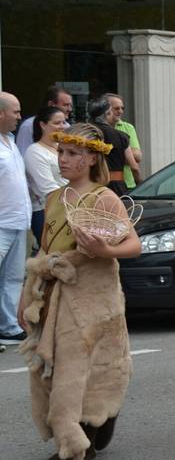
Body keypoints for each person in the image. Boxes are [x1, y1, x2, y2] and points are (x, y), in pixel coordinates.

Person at [18, 124, 140, 460]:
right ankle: (82, 428)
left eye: (71, 153)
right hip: (56, 293)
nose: (63, 159)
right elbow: (43, 252)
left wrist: (104, 249)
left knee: (92, 366)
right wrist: (26, 300)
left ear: (89, 159)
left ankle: (82, 433)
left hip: (95, 296)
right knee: (59, 366)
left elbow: (133, 245)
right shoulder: (55, 199)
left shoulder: (104, 197)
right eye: (60, 152)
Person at [0, 91, 29, 346]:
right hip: (1, 222)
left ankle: (8, 326)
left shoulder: (10, 139)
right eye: (16, 111)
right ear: (0, 113)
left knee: (13, 278)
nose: (19, 117)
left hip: (19, 220)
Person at [23, 106, 67, 240]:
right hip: (47, 213)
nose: (62, 126)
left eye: (64, 122)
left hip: (69, 209)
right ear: (43, 125)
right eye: (57, 123)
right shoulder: (34, 151)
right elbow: (48, 190)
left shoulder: (63, 148)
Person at [87, 96, 132, 196]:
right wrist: (140, 185)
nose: (120, 111)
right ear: (108, 113)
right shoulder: (121, 136)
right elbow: (134, 166)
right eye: (115, 109)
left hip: (90, 186)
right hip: (116, 186)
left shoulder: (84, 134)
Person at [16, 85, 73, 155]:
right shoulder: (28, 126)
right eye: (65, 105)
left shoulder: (67, 127)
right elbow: (23, 154)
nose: (70, 109)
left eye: (70, 105)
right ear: (51, 104)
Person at [104, 94, 141, 189]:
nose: (120, 111)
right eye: (116, 108)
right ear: (106, 109)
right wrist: (127, 154)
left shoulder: (128, 127)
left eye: (122, 108)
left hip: (128, 184)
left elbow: (138, 156)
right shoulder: (97, 129)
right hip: (103, 184)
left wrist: (109, 155)